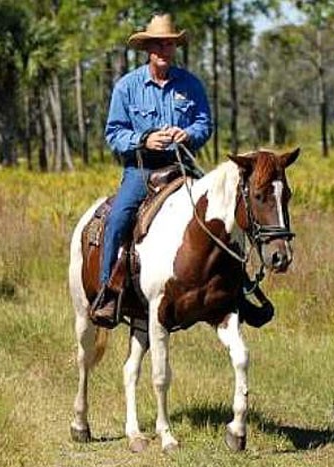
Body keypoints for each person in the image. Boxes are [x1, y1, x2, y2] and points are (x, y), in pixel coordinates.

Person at [90, 13, 212, 326]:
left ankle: (234, 288)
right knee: (118, 217)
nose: (163, 49)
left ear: (174, 48)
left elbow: (204, 123)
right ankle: (109, 291)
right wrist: (144, 139)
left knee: (220, 211)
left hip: (182, 166)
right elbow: (114, 134)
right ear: (147, 48)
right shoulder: (127, 87)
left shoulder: (191, 84)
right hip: (141, 171)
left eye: (169, 44)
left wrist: (189, 134)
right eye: (157, 43)